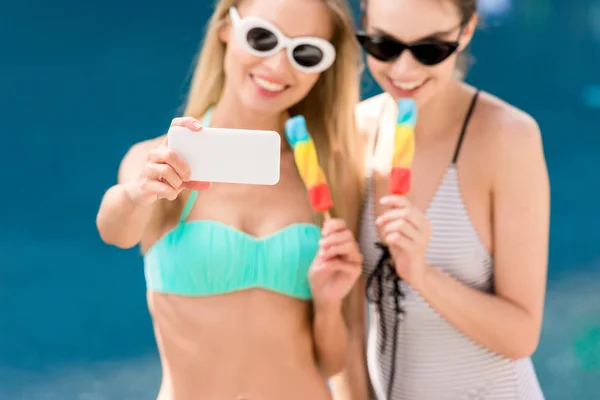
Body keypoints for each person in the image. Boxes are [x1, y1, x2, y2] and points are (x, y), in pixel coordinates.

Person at [95, 0, 366, 399]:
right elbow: (115, 231)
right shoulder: (157, 162)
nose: (277, 66)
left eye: (305, 52)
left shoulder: (330, 176)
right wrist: (138, 193)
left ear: (324, 67)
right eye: (262, 38)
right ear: (226, 28)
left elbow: (333, 362)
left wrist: (327, 304)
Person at [336, 0, 551, 399]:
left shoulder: (507, 137)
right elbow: (349, 325)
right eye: (383, 45)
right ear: (364, 26)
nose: (404, 70)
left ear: (466, 31)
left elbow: (520, 336)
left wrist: (422, 274)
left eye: (430, 50)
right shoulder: (354, 134)